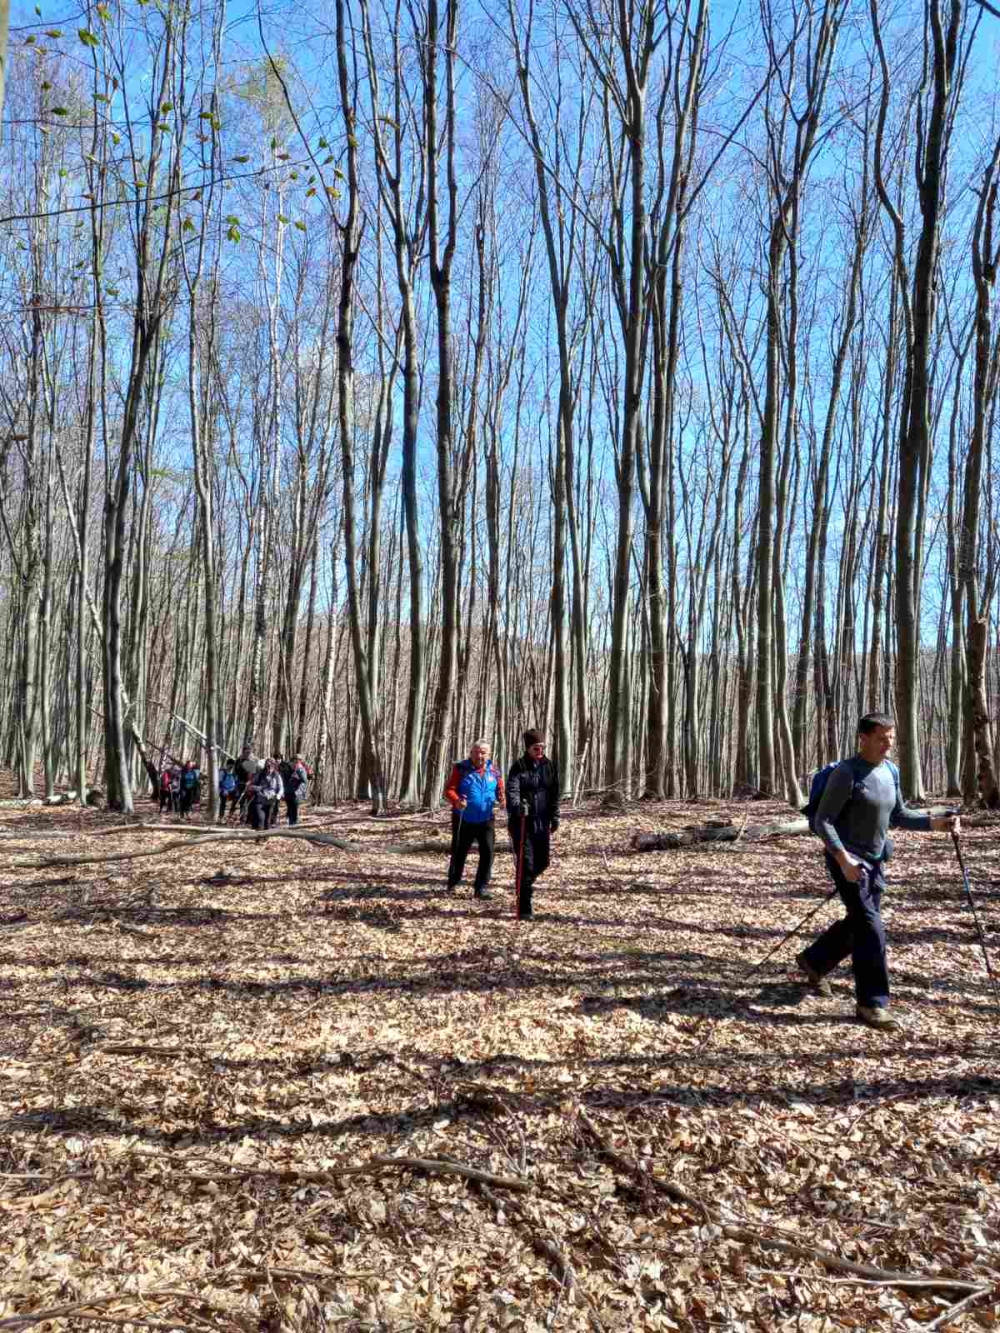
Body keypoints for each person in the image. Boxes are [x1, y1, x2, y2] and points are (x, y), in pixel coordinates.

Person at [796, 711, 960, 1031]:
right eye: (882, 738)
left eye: (891, 738)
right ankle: (871, 1003)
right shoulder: (847, 772)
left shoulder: (891, 771)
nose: (889, 744)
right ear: (864, 738)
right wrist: (844, 860)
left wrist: (934, 823)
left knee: (860, 923)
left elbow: (898, 814)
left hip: (875, 861)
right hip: (846, 861)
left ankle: (814, 961)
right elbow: (823, 822)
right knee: (872, 929)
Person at [506, 728, 560, 921]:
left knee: (543, 862)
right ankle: (525, 908)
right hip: (522, 822)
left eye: (542, 747)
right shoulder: (518, 766)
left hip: (542, 821)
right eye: (536, 748)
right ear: (528, 748)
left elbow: (554, 793)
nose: (540, 751)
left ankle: (522, 883)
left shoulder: (549, 766)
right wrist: (517, 806)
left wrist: (555, 816)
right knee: (526, 864)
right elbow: (511, 790)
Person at [444, 741, 505, 899]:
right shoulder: (461, 769)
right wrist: (457, 801)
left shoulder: (495, 771)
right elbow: (449, 790)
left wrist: (503, 800)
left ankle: (481, 887)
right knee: (459, 852)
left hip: (486, 818)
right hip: (463, 817)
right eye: (476, 752)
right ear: (471, 753)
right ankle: (453, 883)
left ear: (489, 754)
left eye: (483, 752)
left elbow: (500, 792)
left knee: (488, 852)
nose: (479, 755)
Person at [249, 757, 283, 835]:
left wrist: (278, 795)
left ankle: (265, 837)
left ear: (274, 766)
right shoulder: (260, 775)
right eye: (268, 765)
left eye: (271, 765)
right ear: (265, 766)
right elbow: (251, 785)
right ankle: (259, 836)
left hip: (271, 800)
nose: (269, 767)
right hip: (260, 799)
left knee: (268, 820)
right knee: (261, 819)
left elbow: (281, 788)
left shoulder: (277, 776)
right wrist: (257, 788)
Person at [280, 754, 309, 826]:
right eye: (296, 760)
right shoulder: (286, 768)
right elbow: (283, 779)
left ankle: (294, 824)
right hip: (288, 791)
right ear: (292, 760)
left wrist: (299, 769)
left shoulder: (302, 768)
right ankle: (291, 823)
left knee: (294, 808)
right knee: (290, 809)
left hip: (297, 792)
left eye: (299, 760)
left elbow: (304, 780)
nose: (298, 761)